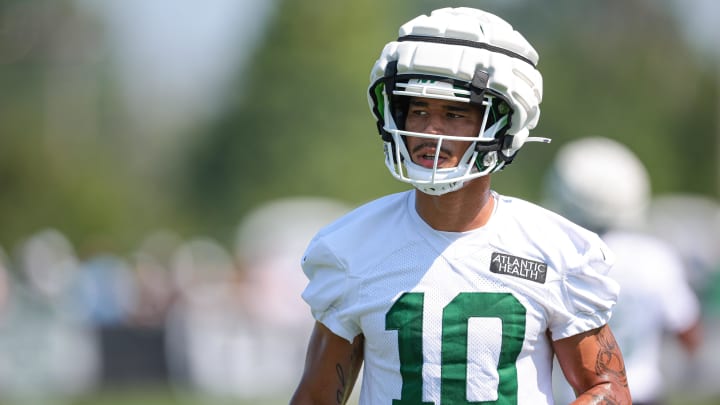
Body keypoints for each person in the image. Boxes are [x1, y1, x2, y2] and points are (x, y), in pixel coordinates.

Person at [290, 7, 631, 405]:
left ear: (504, 125)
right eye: (418, 111)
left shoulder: (554, 250)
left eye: (453, 113)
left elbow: (608, 389)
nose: (429, 131)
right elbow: (316, 398)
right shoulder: (352, 248)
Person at [544, 137, 703, 405]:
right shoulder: (655, 258)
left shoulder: (557, 258)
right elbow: (688, 333)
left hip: (577, 396)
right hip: (642, 394)